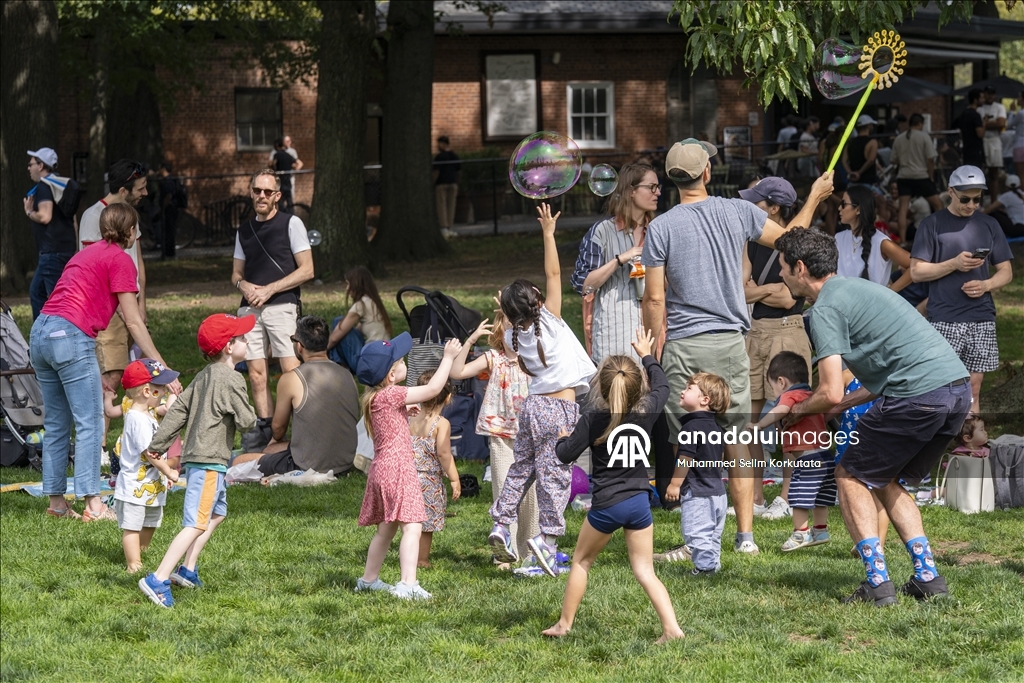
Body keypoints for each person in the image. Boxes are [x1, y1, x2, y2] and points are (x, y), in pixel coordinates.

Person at [641, 137, 833, 556]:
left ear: (674, 180)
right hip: (731, 343)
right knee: (738, 440)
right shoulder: (737, 210)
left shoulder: (659, 228)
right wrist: (815, 196)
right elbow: (791, 240)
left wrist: (651, 350)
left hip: (685, 347)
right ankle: (745, 537)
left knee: (690, 443)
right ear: (706, 173)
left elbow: (654, 298)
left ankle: (699, 539)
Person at [774, 227, 971, 606]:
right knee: (885, 477)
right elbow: (875, 379)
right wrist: (840, 406)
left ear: (800, 268)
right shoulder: (861, 290)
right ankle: (928, 578)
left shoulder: (825, 309)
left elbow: (830, 389)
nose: (780, 275)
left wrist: (798, 409)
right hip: (955, 391)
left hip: (917, 396)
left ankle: (878, 584)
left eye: (783, 267)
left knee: (848, 474)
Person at [30, 204, 179, 523]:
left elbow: (69, 304)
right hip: (70, 336)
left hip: (41, 333)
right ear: (130, 232)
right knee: (90, 422)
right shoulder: (122, 260)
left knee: (57, 423)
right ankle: (94, 505)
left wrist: (86, 367)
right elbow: (134, 322)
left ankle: (56, 504)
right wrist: (161, 369)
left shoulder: (83, 254)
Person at [543, 327, 684, 644]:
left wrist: (563, 439)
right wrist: (647, 353)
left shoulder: (592, 417)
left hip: (607, 505)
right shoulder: (647, 411)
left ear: (602, 387)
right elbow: (662, 384)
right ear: (637, 388)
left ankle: (564, 625)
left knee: (581, 561)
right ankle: (672, 629)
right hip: (639, 503)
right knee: (645, 570)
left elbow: (565, 456)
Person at [489, 204, 597, 576]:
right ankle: (546, 546)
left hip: (531, 409)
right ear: (536, 301)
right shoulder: (549, 321)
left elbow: (509, 331)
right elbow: (554, 271)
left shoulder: (510, 336)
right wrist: (548, 232)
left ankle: (501, 524)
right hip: (558, 410)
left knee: (521, 470)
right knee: (553, 477)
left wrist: (506, 309)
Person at [138, 313, 257, 608]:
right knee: (195, 523)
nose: (247, 340)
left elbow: (178, 411)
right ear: (229, 347)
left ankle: (187, 570)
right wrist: (253, 416)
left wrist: (158, 444)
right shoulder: (232, 379)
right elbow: (246, 421)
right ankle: (158, 578)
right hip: (210, 461)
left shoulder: (204, 375)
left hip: (201, 460)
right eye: (241, 338)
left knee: (216, 515)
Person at [354, 333, 462, 600]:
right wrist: (448, 358)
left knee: (386, 529)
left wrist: (404, 412)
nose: (405, 364)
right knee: (413, 526)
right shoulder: (392, 394)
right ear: (391, 375)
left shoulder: (377, 398)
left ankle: (369, 580)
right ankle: (408, 584)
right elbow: (433, 390)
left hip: (381, 469)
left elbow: (392, 418)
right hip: (400, 469)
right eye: (401, 361)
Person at [910, 166, 1014, 414]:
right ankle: (938, 440)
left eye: (977, 199)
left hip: (981, 316)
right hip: (944, 317)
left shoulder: (989, 224)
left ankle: (968, 443)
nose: (971, 205)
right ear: (950, 192)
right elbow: (916, 272)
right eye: (965, 199)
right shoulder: (932, 224)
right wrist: (953, 264)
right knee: (941, 387)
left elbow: (1006, 271)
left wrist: (986, 284)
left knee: (974, 387)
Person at [739, 177, 812, 520]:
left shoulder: (798, 246)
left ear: (773, 209)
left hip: (788, 331)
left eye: (756, 202)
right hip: (754, 332)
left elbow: (788, 298)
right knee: (750, 419)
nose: (748, 206)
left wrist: (759, 289)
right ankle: (754, 496)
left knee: (791, 417)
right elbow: (740, 290)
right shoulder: (750, 241)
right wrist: (766, 290)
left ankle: (786, 496)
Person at [232, 169, 314, 451]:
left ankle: (301, 426)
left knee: (290, 368)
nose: (262, 196)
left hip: (282, 304)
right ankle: (266, 427)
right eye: (257, 191)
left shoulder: (292, 223)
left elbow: (307, 270)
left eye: (268, 192)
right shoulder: (243, 230)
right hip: (249, 308)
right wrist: (244, 287)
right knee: (255, 372)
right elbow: (236, 275)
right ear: (251, 192)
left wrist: (270, 289)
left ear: (278, 195)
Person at [450, 314, 538, 565]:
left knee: (531, 494)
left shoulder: (531, 358)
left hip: (530, 434)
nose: (516, 335)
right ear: (500, 335)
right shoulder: (493, 358)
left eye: (520, 330)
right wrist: (471, 340)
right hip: (500, 434)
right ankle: (505, 552)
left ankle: (531, 551)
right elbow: (458, 371)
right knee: (502, 489)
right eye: (510, 330)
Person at [232, 315, 360, 477]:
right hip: (344, 462)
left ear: (299, 346)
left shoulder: (291, 378)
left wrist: (273, 443)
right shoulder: (347, 375)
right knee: (272, 450)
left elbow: (278, 429)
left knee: (239, 462)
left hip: (310, 465)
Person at [745, 351, 835, 553]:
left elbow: (781, 410)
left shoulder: (789, 395)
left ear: (781, 381)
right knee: (821, 496)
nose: (775, 394)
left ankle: (800, 533)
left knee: (798, 497)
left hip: (807, 458)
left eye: (773, 388)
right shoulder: (812, 396)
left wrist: (759, 424)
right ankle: (820, 530)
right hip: (825, 456)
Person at [570, 163, 658, 362]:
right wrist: (620, 259)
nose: (658, 192)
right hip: (614, 330)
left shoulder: (658, 231)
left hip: (652, 327)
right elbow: (583, 285)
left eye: (658, 187)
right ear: (631, 191)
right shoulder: (602, 232)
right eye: (652, 187)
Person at [79, 159, 150, 400]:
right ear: (123, 191)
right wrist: (123, 311)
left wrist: (141, 305)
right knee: (111, 377)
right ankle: (98, 439)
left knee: (138, 373)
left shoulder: (131, 217)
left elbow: (138, 262)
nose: (145, 192)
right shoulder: (93, 216)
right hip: (110, 308)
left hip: (130, 301)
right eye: (140, 188)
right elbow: (93, 273)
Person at [114, 359, 180, 573]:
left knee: (151, 521)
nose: (162, 391)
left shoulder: (147, 415)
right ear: (146, 391)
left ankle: (140, 552)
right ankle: (134, 564)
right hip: (135, 485)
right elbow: (151, 453)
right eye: (159, 388)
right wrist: (169, 471)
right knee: (132, 526)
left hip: (151, 484)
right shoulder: (137, 419)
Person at [663, 372, 730, 576]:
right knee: (713, 535)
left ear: (705, 400)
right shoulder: (716, 427)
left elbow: (685, 458)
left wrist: (675, 484)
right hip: (718, 494)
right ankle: (712, 565)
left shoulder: (691, 427)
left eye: (689, 388)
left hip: (699, 494)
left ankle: (705, 568)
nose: (683, 391)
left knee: (697, 534)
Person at [409, 370, 461, 568]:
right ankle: (421, 559)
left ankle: (406, 554)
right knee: (426, 524)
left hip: (407, 476)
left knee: (409, 521)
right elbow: (444, 454)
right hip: (428, 481)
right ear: (448, 398)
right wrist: (454, 478)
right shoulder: (441, 424)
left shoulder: (410, 418)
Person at [24, 148, 77, 319]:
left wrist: (29, 212)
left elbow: (45, 216)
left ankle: (52, 336)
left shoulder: (45, 186)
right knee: (37, 292)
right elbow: (73, 219)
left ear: (41, 166)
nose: (28, 168)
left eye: (31, 164)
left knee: (56, 300)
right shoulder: (59, 185)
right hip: (63, 249)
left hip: (51, 252)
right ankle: (43, 334)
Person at [834, 186, 912, 291]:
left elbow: (914, 266)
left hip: (872, 306)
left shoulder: (881, 242)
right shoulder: (838, 238)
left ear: (858, 209)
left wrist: (889, 293)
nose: (839, 208)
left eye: (843, 204)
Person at [890, 114, 944, 243]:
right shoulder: (924, 136)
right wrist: (930, 176)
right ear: (920, 123)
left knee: (903, 209)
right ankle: (940, 236)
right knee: (938, 205)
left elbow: (893, 159)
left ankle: (902, 241)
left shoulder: (899, 138)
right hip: (921, 176)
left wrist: (905, 160)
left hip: (904, 176)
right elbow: (930, 159)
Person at [327, 266, 392, 371]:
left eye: (348, 283)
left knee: (338, 321)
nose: (347, 288)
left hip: (370, 362)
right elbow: (356, 332)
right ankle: (340, 365)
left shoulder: (361, 304)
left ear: (356, 284)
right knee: (342, 329)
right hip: (383, 356)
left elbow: (335, 338)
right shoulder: (373, 302)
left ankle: (339, 367)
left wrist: (320, 352)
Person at [978, 85, 1007, 197]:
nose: (991, 96)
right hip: (983, 140)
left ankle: (994, 200)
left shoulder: (999, 107)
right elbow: (977, 125)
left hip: (994, 140)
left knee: (994, 173)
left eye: (992, 94)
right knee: (980, 173)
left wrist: (985, 124)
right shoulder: (980, 109)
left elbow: (1001, 123)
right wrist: (991, 123)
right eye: (988, 93)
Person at [433, 135, 461, 238]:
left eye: (439, 144)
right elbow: (459, 171)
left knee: (441, 205)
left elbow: (436, 171)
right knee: (451, 205)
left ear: (443, 144)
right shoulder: (454, 156)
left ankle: (444, 227)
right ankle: (450, 227)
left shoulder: (439, 157)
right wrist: (458, 183)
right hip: (453, 183)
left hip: (441, 183)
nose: (438, 146)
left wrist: (432, 183)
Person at [842, 115, 880, 187]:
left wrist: (850, 173)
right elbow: (871, 160)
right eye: (872, 125)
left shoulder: (850, 143)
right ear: (868, 126)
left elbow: (844, 160)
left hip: (852, 183)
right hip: (867, 181)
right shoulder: (872, 142)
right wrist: (859, 173)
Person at [267, 135, 302, 211]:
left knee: (280, 201)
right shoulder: (289, 155)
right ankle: (291, 216)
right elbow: (298, 163)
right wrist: (291, 170)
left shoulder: (277, 154)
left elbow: (273, 164)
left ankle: (282, 216)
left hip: (280, 181)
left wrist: (274, 169)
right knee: (289, 201)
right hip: (288, 181)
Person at [954, 89, 986, 170]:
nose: (983, 100)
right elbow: (980, 134)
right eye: (981, 98)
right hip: (975, 150)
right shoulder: (975, 115)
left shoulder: (963, 114)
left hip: (966, 149)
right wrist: (985, 123)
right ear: (975, 100)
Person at [983, 173, 1024, 238]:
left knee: (993, 214)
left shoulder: (1007, 196)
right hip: (1021, 227)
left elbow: (988, 210)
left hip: (1017, 229)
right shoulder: (1022, 194)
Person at [157, 162, 183, 260]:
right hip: (171, 208)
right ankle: (168, 253)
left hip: (169, 209)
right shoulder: (170, 180)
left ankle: (169, 253)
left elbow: (168, 196)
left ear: (164, 169)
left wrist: (163, 207)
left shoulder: (168, 181)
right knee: (168, 231)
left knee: (169, 232)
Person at [1007, 91, 1024, 179]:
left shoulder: (1021, 113)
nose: (1017, 99)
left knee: (1020, 175)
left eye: (1019, 97)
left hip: (1020, 145)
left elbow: (1009, 125)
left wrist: (1011, 111)